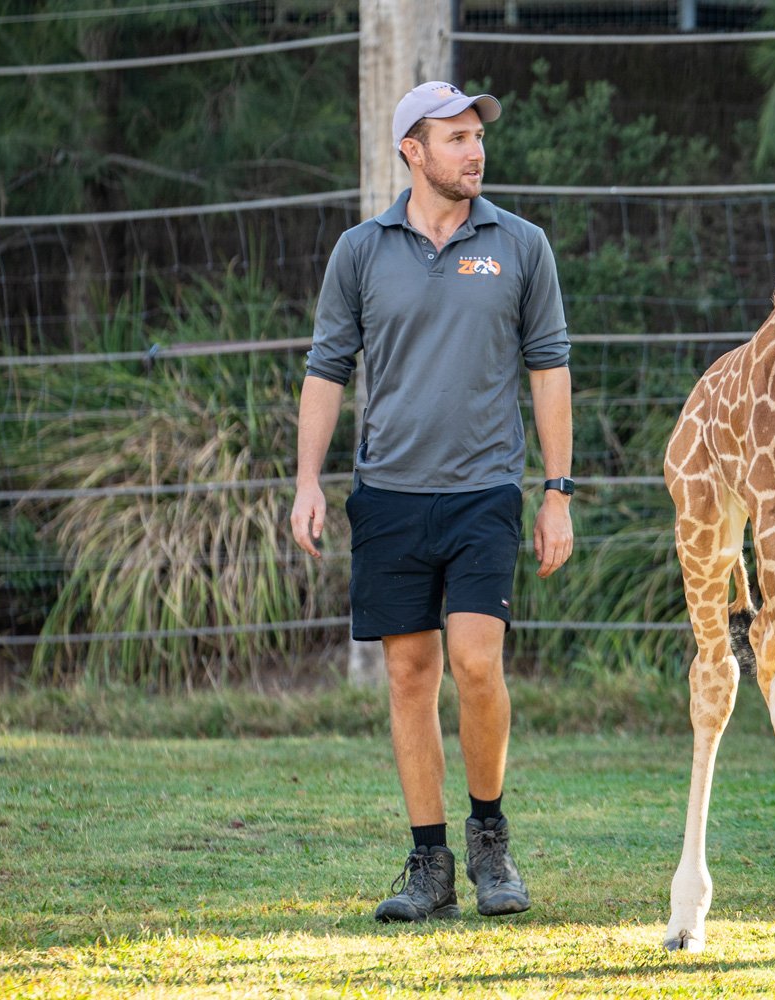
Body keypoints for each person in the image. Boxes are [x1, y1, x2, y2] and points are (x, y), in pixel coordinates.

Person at [289, 80, 574, 922]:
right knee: (410, 676)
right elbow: (326, 369)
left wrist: (556, 493)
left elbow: (549, 366)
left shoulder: (521, 245)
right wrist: (308, 480)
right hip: (388, 497)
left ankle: (490, 842)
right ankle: (428, 863)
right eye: (455, 138)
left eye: (476, 136)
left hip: (486, 492)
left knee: (476, 664)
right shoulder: (360, 251)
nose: (474, 151)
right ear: (412, 151)